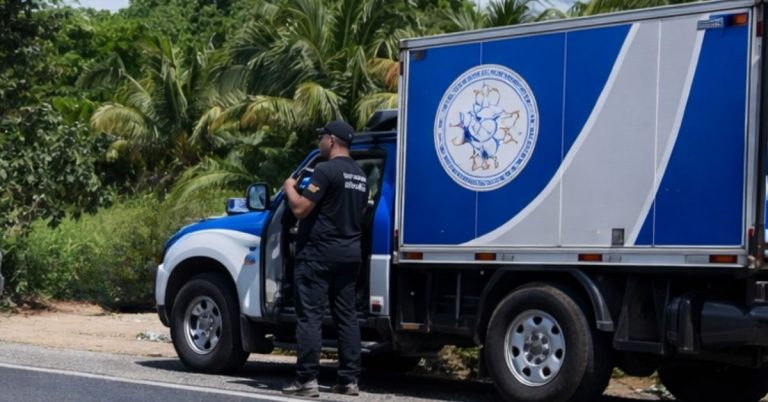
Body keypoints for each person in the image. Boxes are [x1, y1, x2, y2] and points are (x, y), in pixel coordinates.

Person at [281, 120, 369, 397]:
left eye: (322, 137)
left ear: (331, 140)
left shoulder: (325, 170)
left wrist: (288, 187)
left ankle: (306, 381)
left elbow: (299, 209)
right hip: (350, 255)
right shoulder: (361, 176)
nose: (320, 142)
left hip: (318, 255)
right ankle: (349, 380)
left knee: (310, 318)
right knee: (347, 317)